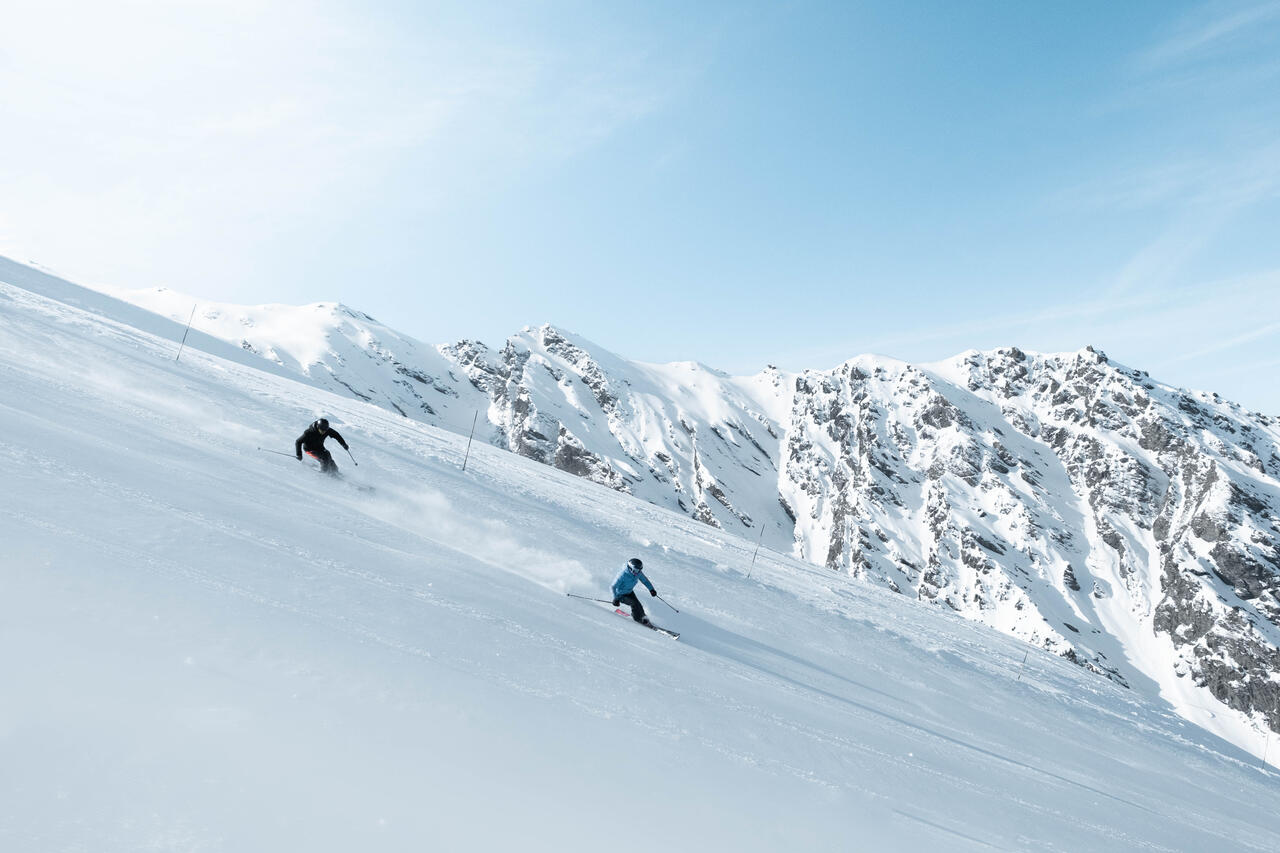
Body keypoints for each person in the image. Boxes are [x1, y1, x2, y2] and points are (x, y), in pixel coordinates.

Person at [611, 558, 657, 625]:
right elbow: (613, 587)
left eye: (639, 570)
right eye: (636, 569)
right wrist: (615, 598)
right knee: (634, 603)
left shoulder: (638, 573)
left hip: (629, 592)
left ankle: (643, 618)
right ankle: (637, 619)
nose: (637, 572)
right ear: (630, 568)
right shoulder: (623, 575)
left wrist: (651, 589)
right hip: (620, 595)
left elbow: (645, 581)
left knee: (639, 605)